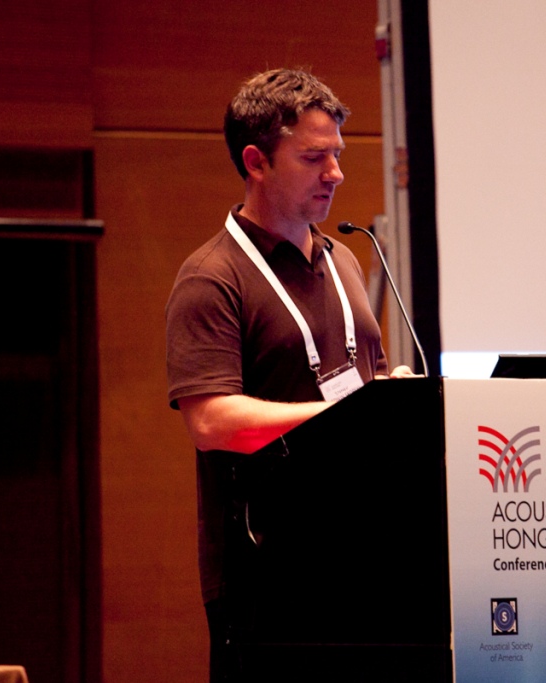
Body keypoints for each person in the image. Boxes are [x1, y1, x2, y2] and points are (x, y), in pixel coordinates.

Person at [165, 69, 411, 681]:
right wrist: (347, 415)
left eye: (337, 154)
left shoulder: (343, 259)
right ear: (256, 162)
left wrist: (393, 402)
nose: (336, 173)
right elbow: (210, 420)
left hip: (366, 554)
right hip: (268, 570)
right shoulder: (212, 276)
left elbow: (367, 384)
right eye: (313, 157)